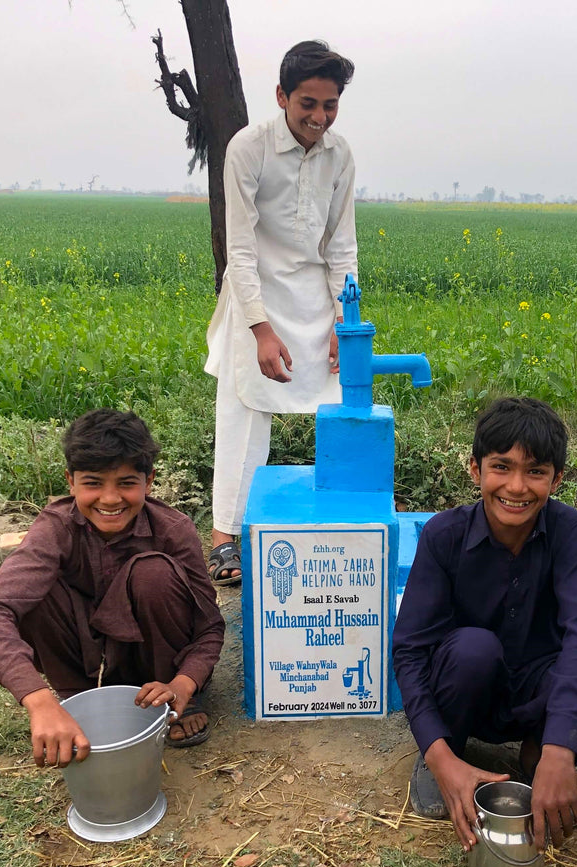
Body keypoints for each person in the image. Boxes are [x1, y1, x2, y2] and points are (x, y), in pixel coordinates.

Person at [392, 397, 577, 851]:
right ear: (475, 470)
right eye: (501, 467)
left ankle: (537, 751)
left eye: (536, 472)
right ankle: (449, 755)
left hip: (532, 693)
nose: (517, 486)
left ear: (557, 478)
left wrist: (560, 750)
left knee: (574, 666)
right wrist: (438, 754)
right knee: (473, 649)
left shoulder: (568, 532)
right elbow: (409, 652)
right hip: (465, 688)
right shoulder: (443, 536)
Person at [0, 410, 225, 767]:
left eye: (125, 483)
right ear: (70, 481)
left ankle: (173, 701)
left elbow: (210, 626)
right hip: (87, 661)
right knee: (33, 595)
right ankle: (76, 700)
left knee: (153, 573)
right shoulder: (55, 529)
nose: (109, 499)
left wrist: (184, 682)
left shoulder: (172, 529)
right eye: (93, 483)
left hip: (160, 669)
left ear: (148, 481)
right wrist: (39, 700)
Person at [204, 40, 357, 585]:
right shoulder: (249, 148)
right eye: (308, 103)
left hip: (315, 300)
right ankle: (227, 538)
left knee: (342, 408)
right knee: (245, 412)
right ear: (282, 96)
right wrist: (261, 329)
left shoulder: (340, 155)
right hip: (256, 299)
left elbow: (342, 246)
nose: (319, 116)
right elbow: (239, 250)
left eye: (330, 105)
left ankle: (340, 529)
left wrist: (345, 323)